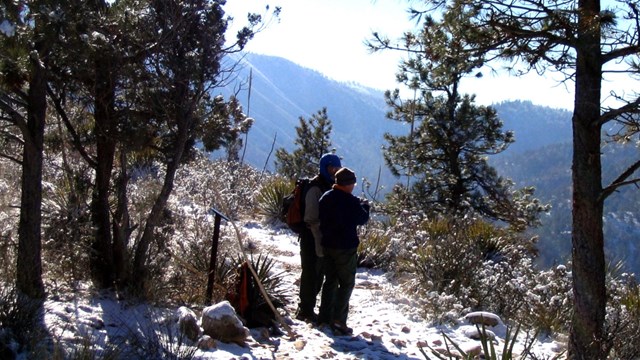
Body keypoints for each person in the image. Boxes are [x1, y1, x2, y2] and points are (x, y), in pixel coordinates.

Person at [317, 167, 370, 335]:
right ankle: (339, 320)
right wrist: (365, 207)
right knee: (346, 283)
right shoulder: (350, 201)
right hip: (345, 248)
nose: (354, 186)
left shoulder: (325, 197)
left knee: (330, 280)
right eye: (352, 183)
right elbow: (362, 219)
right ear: (347, 184)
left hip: (328, 245)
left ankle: (324, 317)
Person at [295, 153, 342, 323]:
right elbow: (311, 218)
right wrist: (318, 240)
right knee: (310, 273)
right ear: (325, 167)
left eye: (337, 168)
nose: (335, 171)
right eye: (332, 168)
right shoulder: (315, 188)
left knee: (318, 273)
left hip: (321, 236)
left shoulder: (328, 185)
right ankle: (305, 310)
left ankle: (308, 308)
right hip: (311, 237)